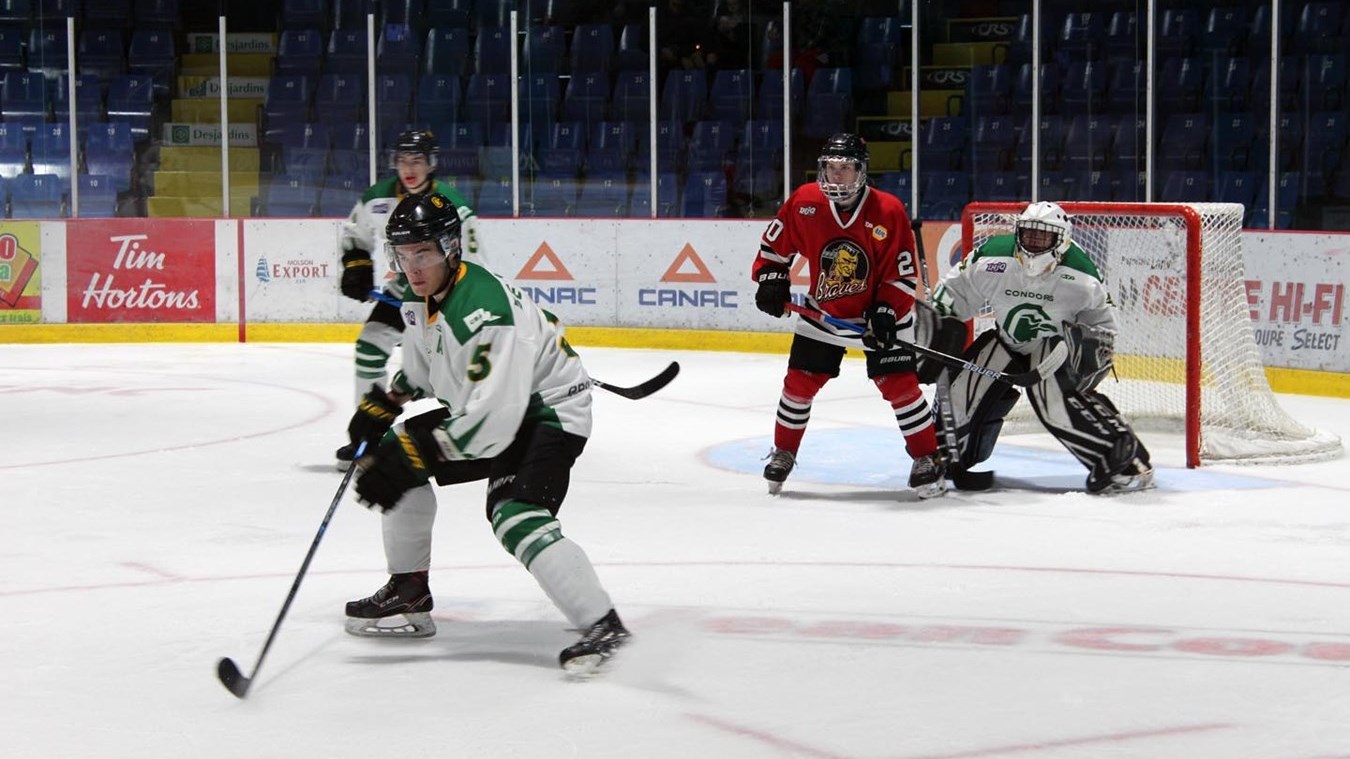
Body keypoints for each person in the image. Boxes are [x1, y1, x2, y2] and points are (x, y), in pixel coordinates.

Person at [342, 192, 630, 674]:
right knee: (396, 448)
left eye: (424, 252)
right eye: (403, 254)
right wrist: (387, 401)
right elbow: (426, 366)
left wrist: (417, 450)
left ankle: (604, 626)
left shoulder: (486, 314)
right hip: (501, 409)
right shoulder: (419, 295)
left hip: (548, 415)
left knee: (514, 515)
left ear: (451, 248)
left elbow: (493, 427)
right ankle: (409, 590)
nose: (412, 266)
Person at [752, 133, 946, 499]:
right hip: (824, 314)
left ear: (861, 171)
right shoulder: (805, 202)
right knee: (798, 384)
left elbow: (901, 275)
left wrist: (886, 312)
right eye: (830, 168)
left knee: (901, 388)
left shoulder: (887, 210)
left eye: (845, 169)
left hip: (881, 316)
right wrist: (772, 277)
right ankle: (783, 452)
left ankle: (926, 459)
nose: (835, 176)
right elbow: (773, 247)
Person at [927, 200, 1154, 494]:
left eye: (1043, 236)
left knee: (1055, 405)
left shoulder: (1082, 277)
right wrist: (934, 325)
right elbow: (953, 294)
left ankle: (1124, 459)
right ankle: (945, 457)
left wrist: (1084, 364)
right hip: (1006, 340)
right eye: (1028, 234)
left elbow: (1103, 329)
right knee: (960, 393)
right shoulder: (993, 258)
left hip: (1054, 348)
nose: (1033, 242)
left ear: (1061, 240)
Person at [335, 129, 483, 469]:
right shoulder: (378, 197)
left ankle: (479, 422)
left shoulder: (452, 205)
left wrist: (455, 300)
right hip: (404, 289)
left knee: (447, 365)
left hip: (446, 293)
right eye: (402, 160)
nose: (408, 168)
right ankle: (368, 437)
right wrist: (356, 265)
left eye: (416, 160)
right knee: (369, 347)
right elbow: (354, 235)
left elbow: (474, 259)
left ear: (430, 164)